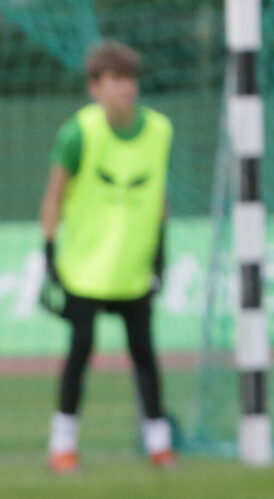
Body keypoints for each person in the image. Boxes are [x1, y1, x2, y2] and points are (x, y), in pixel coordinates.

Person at [39, 40, 175, 473]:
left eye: (130, 79)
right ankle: (63, 445)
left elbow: (159, 194)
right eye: (115, 80)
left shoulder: (160, 130)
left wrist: (160, 251)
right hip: (86, 268)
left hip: (134, 267)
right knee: (80, 352)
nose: (125, 89)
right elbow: (55, 194)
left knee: (145, 355)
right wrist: (48, 252)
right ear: (95, 87)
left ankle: (160, 444)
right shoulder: (78, 133)